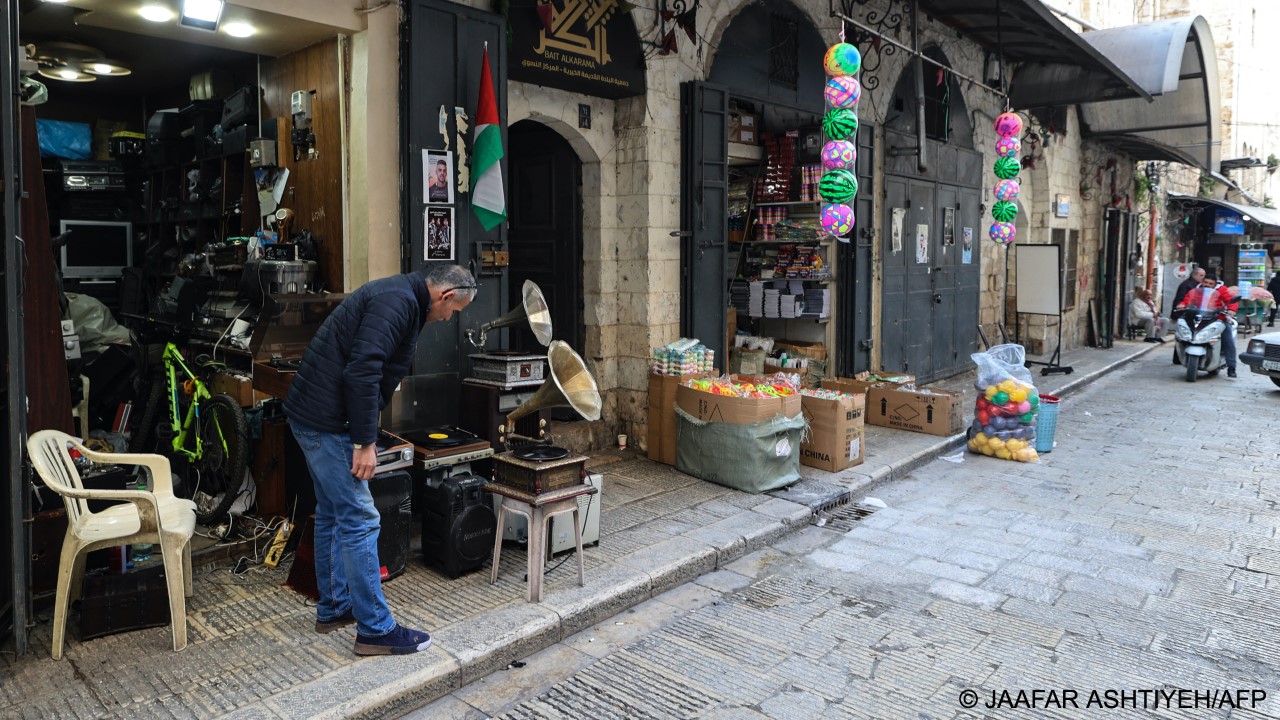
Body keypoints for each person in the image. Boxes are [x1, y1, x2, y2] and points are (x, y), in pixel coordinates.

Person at [283, 264, 476, 655]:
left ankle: (334, 608)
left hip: (313, 416)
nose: (448, 319)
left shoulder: (402, 297)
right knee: (361, 518)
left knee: (334, 514)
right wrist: (364, 441)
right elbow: (363, 372)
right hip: (326, 423)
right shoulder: (398, 302)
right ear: (445, 296)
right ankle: (375, 629)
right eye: (453, 311)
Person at [1176, 272, 1239, 378]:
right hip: (1198, 317)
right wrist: (1183, 304)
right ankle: (1178, 357)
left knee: (1228, 340)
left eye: (1210, 283)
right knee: (1181, 333)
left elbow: (1230, 300)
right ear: (1202, 281)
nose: (1207, 285)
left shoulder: (1222, 289)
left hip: (1218, 318)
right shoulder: (1196, 290)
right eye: (1206, 282)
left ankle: (1231, 367)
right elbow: (1187, 299)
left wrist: (1232, 309)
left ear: (1215, 284)